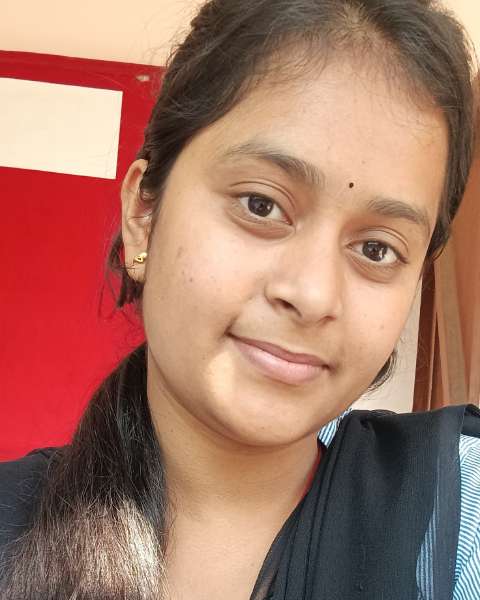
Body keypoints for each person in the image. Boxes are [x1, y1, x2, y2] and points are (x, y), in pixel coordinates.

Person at [0, 0, 479, 598]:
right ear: (144, 214)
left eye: (377, 249)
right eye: (261, 205)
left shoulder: (456, 511)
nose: (313, 295)